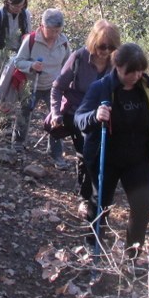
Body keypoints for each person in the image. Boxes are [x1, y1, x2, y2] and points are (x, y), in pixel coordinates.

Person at [75, 43, 149, 259]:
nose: (137, 75)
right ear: (117, 66)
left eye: (140, 70)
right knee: (101, 205)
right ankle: (93, 246)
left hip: (138, 159)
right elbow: (80, 119)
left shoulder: (147, 85)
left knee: (142, 207)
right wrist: (95, 116)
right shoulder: (101, 88)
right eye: (132, 70)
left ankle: (133, 255)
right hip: (105, 158)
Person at [50, 20, 120, 215]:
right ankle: (85, 197)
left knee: (100, 155)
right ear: (93, 41)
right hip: (77, 113)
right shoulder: (79, 57)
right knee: (86, 153)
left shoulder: (116, 62)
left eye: (111, 47)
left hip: (104, 115)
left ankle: (99, 194)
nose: (106, 51)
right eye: (102, 46)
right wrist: (56, 113)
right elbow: (57, 87)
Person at [10, 9, 70, 157]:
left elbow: (68, 64)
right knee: (24, 114)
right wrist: (31, 66)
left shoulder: (63, 42)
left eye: (58, 30)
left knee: (56, 117)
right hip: (32, 84)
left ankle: (55, 153)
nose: (55, 34)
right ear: (42, 26)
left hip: (54, 87)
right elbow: (18, 61)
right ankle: (18, 144)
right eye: (52, 30)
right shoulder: (31, 40)